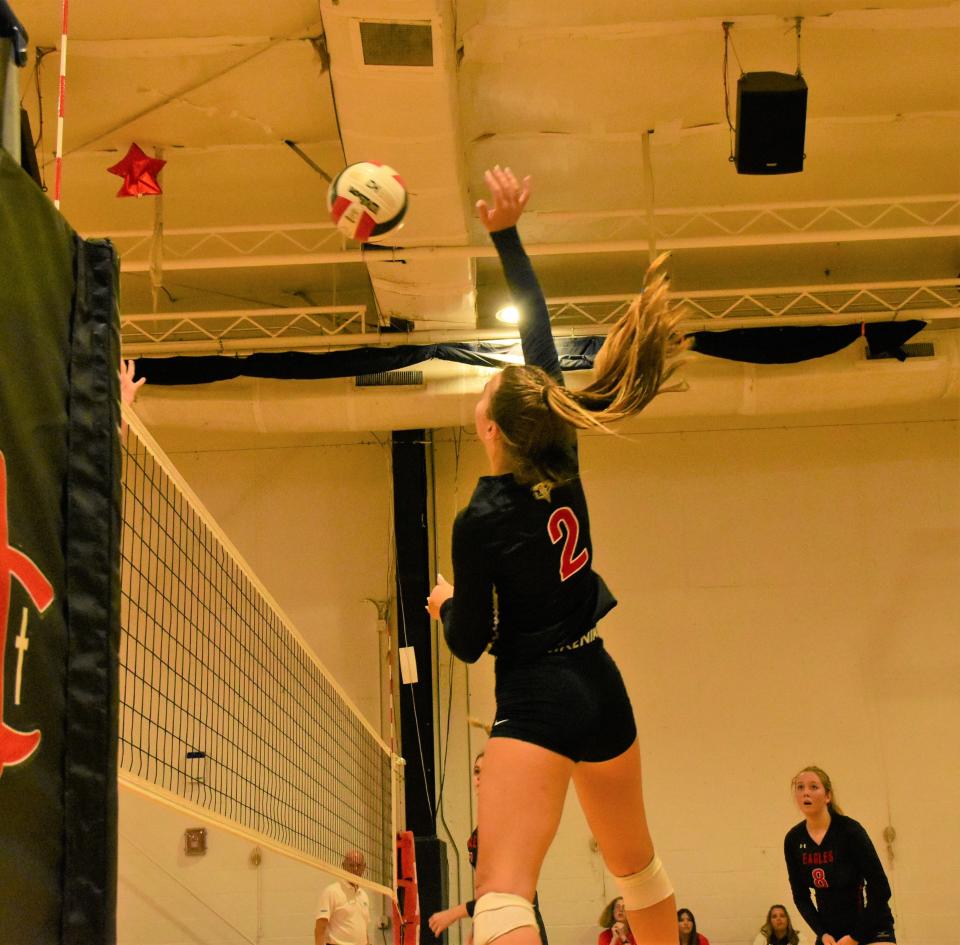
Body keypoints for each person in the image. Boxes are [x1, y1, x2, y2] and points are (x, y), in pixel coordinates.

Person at [426, 166, 686, 945]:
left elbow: (470, 641)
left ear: (491, 428)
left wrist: (444, 606)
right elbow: (537, 332)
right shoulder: (561, 451)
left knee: (503, 888)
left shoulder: (480, 516)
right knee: (636, 868)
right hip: (600, 679)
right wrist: (506, 232)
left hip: (537, 688)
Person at [428, 752, 548, 945]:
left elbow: (504, 895)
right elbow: (487, 894)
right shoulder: (476, 836)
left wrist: (453, 914)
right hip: (490, 923)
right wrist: (478, 925)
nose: (480, 778)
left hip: (514, 924)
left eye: (488, 772)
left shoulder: (510, 822)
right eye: (477, 771)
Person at [784, 766, 895, 945]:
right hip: (831, 929)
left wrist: (856, 937)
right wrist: (821, 933)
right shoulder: (793, 839)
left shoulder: (850, 831)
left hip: (870, 921)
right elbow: (800, 897)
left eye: (813, 787)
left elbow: (881, 889)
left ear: (828, 796)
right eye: (800, 787)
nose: (806, 793)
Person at [314, 850, 371, 945]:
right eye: (351, 865)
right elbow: (320, 927)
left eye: (359, 865)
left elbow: (364, 929)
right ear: (343, 866)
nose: (355, 869)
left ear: (364, 867)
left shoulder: (363, 895)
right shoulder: (332, 891)